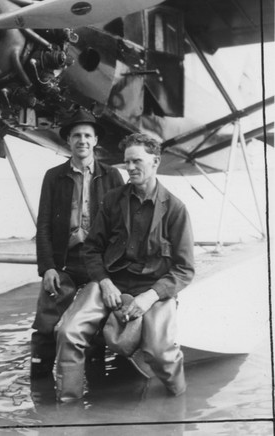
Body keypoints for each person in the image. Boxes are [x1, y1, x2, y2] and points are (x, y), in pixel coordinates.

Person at [55, 133, 195, 401]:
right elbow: (92, 248)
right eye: (127, 162)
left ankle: (179, 403)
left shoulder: (176, 209)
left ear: (155, 162)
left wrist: (150, 296)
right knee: (68, 331)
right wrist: (104, 282)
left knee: (158, 351)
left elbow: (185, 269)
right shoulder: (112, 200)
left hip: (153, 291)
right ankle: (67, 411)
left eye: (137, 161)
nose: (130, 168)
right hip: (111, 285)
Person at [31, 108, 124, 379]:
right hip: (64, 262)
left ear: (95, 140)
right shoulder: (53, 176)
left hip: (99, 264)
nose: (82, 140)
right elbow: (44, 224)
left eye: (87, 135)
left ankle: (94, 385)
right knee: (46, 326)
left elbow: (119, 228)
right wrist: (47, 267)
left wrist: (111, 272)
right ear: (68, 141)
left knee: (93, 325)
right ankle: (40, 386)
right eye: (76, 136)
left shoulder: (112, 177)